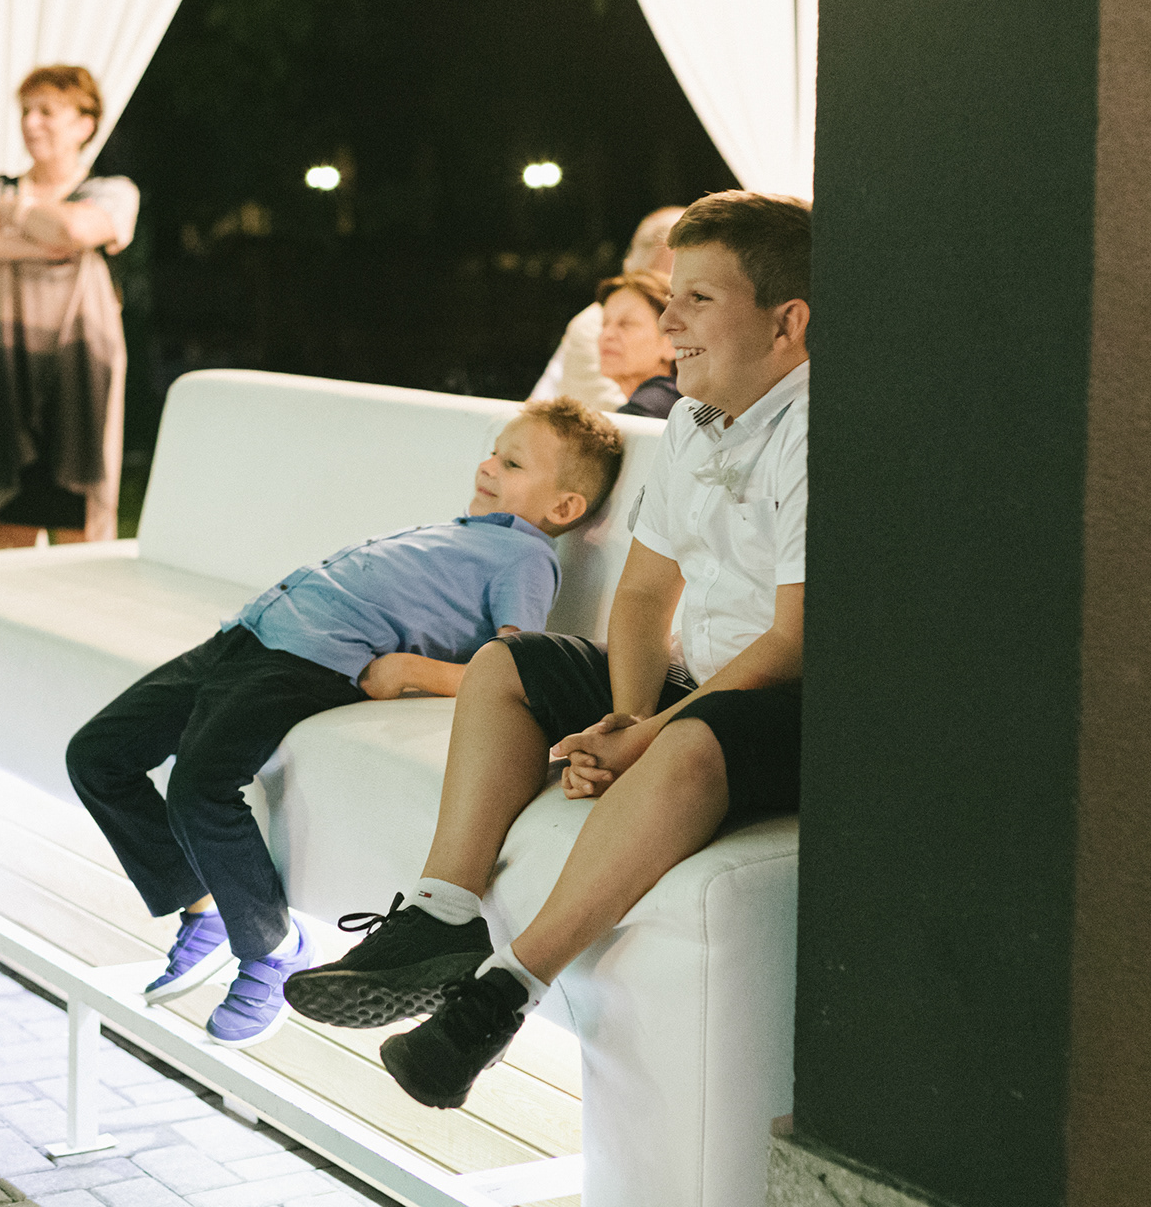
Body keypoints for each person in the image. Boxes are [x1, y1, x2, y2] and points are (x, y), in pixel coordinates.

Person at [286, 191, 811, 1110]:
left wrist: (650, 739)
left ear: (786, 323)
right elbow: (643, 595)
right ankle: (442, 915)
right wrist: (626, 717)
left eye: (698, 300)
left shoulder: (821, 433)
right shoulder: (694, 421)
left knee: (694, 741)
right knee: (507, 665)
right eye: (671, 297)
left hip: (796, 702)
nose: (670, 322)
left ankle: (500, 996)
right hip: (698, 685)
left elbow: (794, 642)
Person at [64, 399, 626, 1048]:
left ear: (563, 507)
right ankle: (204, 906)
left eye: (513, 463)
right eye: (494, 452)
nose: (488, 466)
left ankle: (271, 948)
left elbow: (515, 666)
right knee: (97, 755)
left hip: (310, 660)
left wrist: (411, 670)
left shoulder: (523, 558)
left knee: (201, 786)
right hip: (245, 637)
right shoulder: (466, 532)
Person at [0, 65, 139, 548]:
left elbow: (77, 229)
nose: (31, 123)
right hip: (2, 362)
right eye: (26, 111)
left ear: (84, 124)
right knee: (11, 514)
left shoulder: (110, 191)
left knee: (78, 519)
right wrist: (40, 245)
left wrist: (14, 214)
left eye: (47, 111)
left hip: (80, 366)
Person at [529, 206, 685, 409]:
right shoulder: (590, 324)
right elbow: (606, 414)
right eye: (680, 264)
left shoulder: (662, 402)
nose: (606, 335)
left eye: (626, 324)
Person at [593, 270, 682, 419]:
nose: (607, 335)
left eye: (626, 324)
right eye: (605, 323)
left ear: (671, 342)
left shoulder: (648, 407)